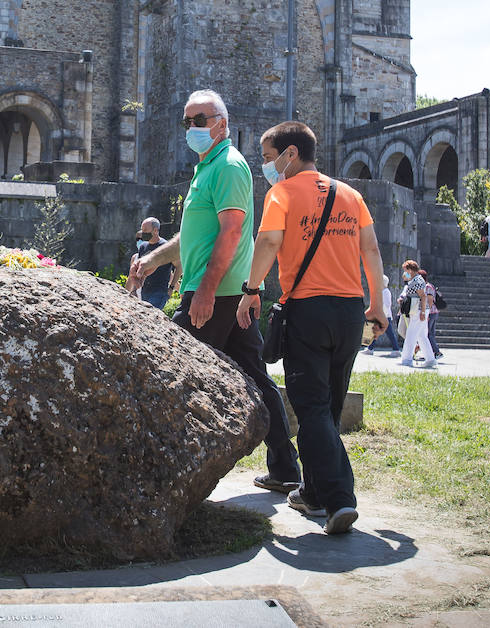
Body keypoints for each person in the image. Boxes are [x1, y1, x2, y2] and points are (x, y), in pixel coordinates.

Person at [134, 90, 302, 497]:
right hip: (221, 292)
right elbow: (195, 236)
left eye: (200, 119)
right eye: (187, 121)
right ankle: (285, 467)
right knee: (257, 379)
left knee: (174, 371)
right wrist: (153, 260)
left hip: (216, 293)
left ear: (222, 123)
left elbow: (230, 232)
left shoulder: (227, 166)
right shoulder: (206, 169)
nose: (191, 128)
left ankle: (173, 469)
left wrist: (205, 290)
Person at [235, 121, 386, 535]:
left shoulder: (281, 192)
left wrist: (251, 291)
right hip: (350, 310)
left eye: (269, 157)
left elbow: (267, 244)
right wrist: (376, 303)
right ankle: (315, 492)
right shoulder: (350, 194)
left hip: (308, 309)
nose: (267, 166)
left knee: (313, 406)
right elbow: (371, 248)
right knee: (331, 403)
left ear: (291, 154)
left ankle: (338, 500)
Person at [128, 217, 176, 310]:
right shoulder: (143, 246)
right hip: (144, 291)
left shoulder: (165, 246)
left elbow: (178, 267)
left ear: (155, 230)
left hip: (159, 292)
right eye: (142, 230)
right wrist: (134, 290)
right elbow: (139, 269)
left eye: (145, 230)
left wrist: (171, 288)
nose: (142, 233)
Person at [398, 260, 436, 368]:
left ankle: (407, 359)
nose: (404, 273)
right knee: (422, 335)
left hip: (419, 310)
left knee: (411, 334)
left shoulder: (417, 281)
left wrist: (423, 312)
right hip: (419, 309)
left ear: (410, 270)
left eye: (405, 270)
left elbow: (423, 296)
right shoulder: (415, 279)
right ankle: (430, 359)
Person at [363, 273, 400, 356]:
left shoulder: (386, 292)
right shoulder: (381, 292)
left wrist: (382, 314)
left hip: (384, 316)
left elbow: (387, 305)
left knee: (389, 333)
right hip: (381, 315)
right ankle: (370, 348)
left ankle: (396, 349)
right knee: (374, 331)